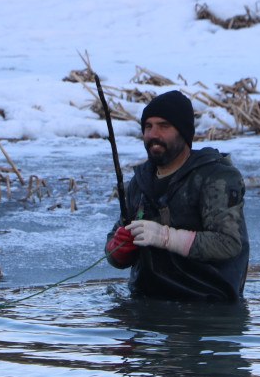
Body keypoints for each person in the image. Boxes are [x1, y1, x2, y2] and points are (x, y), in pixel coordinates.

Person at [105, 89, 249, 301]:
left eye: (164, 126)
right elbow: (115, 249)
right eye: (148, 126)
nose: (153, 134)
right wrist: (118, 249)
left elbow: (228, 243)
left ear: (183, 132)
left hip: (208, 307)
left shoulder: (215, 177)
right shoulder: (140, 182)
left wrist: (166, 237)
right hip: (146, 302)